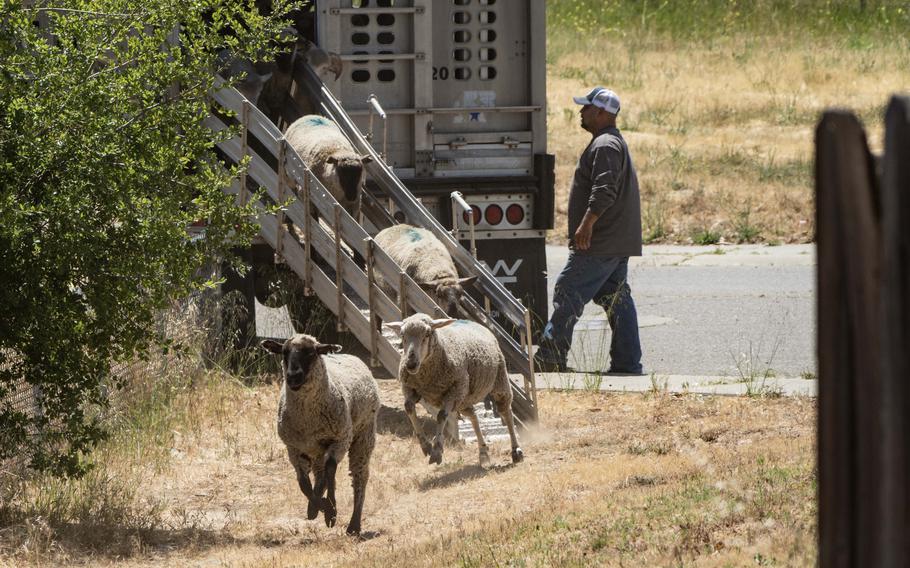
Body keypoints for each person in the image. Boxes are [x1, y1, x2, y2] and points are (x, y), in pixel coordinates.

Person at [535, 87, 643, 374]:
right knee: (616, 298)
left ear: (602, 112)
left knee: (568, 289)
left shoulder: (605, 144)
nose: (580, 112)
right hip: (615, 241)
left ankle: (550, 357)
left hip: (600, 242)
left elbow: (604, 191)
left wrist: (585, 227)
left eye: (586, 108)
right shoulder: (610, 142)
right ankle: (627, 362)